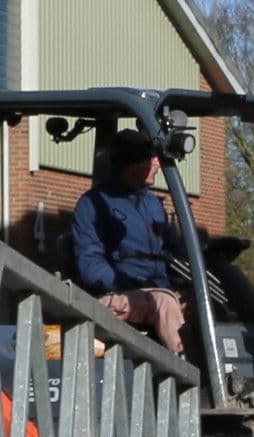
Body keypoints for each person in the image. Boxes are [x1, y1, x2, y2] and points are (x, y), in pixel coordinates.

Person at [67, 128, 186, 349]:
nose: (159, 165)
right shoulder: (94, 204)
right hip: (114, 294)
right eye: (152, 159)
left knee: (204, 300)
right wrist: (135, 284)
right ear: (134, 164)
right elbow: (91, 266)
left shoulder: (152, 204)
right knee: (164, 302)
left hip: (156, 289)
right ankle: (191, 377)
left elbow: (172, 251)